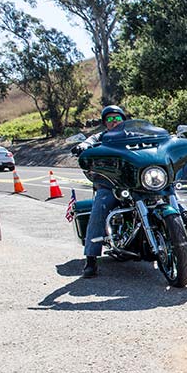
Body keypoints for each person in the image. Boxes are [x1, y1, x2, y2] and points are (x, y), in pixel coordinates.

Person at [73, 105, 126, 278]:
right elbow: (88, 142)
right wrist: (83, 146)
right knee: (100, 207)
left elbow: (154, 139)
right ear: (105, 123)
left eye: (117, 118)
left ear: (123, 120)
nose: (114, 122)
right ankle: (91, 259)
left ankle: (183, 215)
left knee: (162, 186)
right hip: (111, 184)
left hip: (135, 182)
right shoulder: (100, 137)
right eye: (110, 119)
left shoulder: (133, 135)